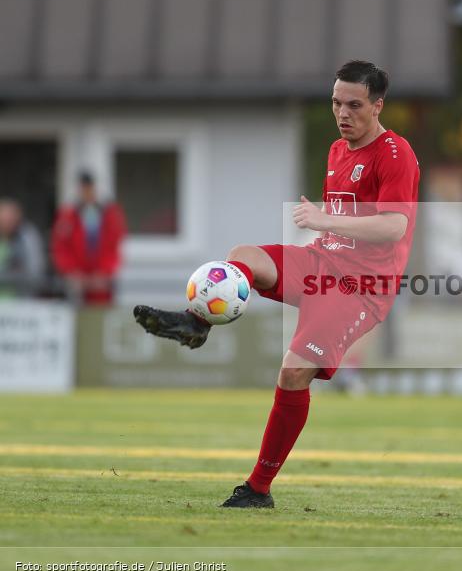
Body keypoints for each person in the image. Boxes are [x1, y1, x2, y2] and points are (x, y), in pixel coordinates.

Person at [134, 60, 419, 508]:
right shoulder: (337, 150)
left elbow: (394, 228)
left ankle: (258, 489)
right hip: (323, 262)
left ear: (378, 105)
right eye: (335, 103)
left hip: (358, 287)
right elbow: (343, 225)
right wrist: (323, 230)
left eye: (354, 105)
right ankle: (197, 322)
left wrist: (323, 219)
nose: (343, 114)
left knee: (292, 373)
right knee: (242, 256)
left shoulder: (395, 153)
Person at [50, 171, 127, 305]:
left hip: (102, 284)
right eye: (84, 189)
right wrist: (72, 272)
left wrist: (104, 272)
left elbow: (115, 246)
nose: (87, 193)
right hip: (76, 284)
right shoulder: (67, 215)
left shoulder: (111, 215)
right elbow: (60, 247)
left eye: (90, 188)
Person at [0, 198, 46, 297]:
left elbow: (36, 270)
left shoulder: (28, 237)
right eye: (3, 220)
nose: (6, 224)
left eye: (10, 220)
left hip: (21, 301)